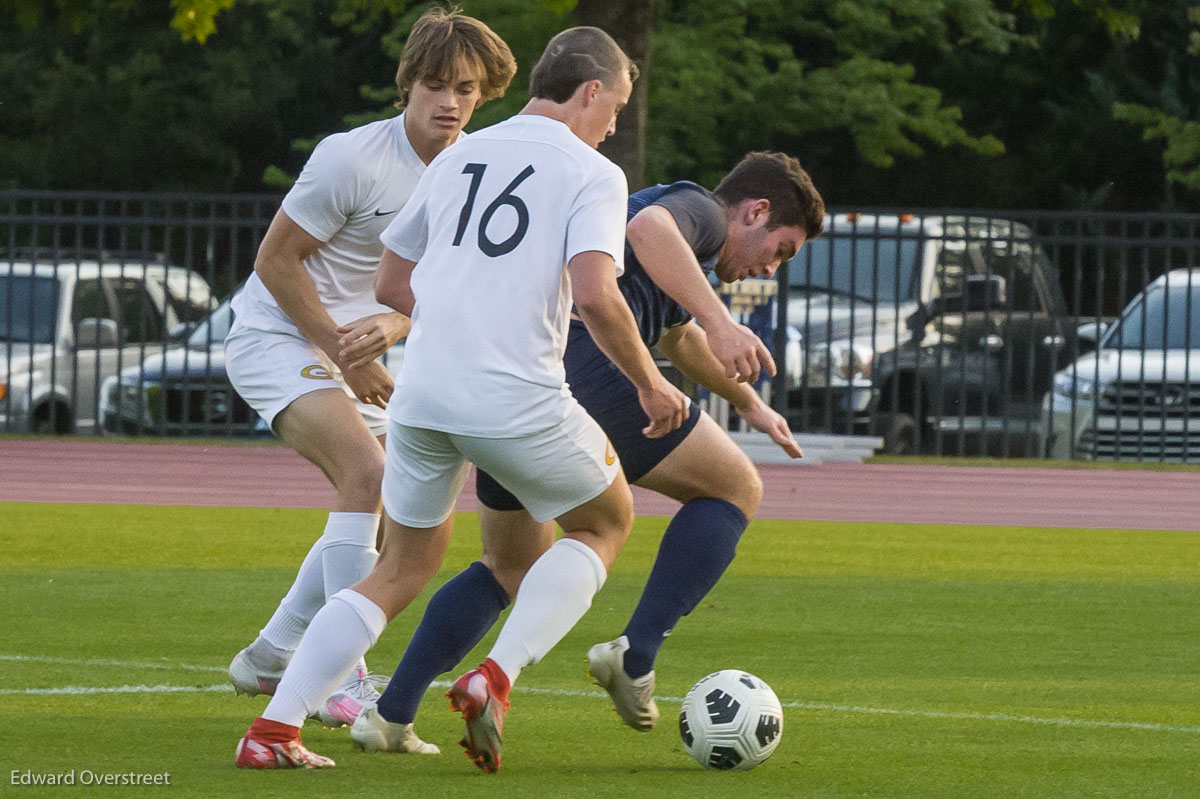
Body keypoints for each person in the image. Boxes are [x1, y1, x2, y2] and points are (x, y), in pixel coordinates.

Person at [234, 26, 691, 772]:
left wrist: (457, 313)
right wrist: (650, 380)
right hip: (513, 393)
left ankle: (275, 728)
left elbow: (389, 284)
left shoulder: (460, 157)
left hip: (423, 394)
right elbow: (599, 296)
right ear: (591, 92)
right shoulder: (594, 172)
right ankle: (495, 675)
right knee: (605, 520)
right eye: (617, 108)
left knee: (402, 567)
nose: (614, 125)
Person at [351, 151, 824, 751]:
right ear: (755, 211)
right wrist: (722, 321)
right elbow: (648, 232)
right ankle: (635, 654)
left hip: (519, 385)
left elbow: (678, 334)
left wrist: (751, 405)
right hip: (584, 370)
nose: (770, 269)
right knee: (733, 488)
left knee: (511, 565)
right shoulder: (700, 210)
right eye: (779, 250)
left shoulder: (681, 253)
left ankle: (391, 716)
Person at [222, 7, 516, 730]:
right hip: (276, 335)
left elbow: (445, 286)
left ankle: (273, 653)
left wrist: (396, 323)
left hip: (353, 350)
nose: (450, 102)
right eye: (436, 83)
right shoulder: (349, 157)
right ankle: (342, 678)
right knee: (370, 475)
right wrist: (343, 351)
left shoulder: (471, 171)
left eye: (467, 89)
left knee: (393, 510)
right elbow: (274, 261)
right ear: (407, 83)